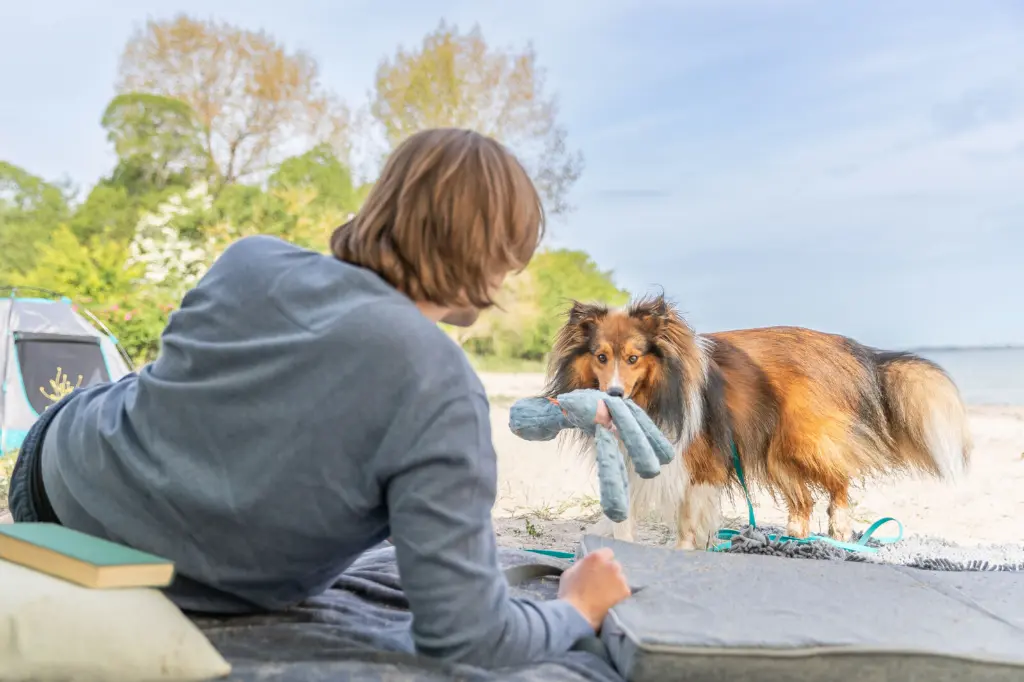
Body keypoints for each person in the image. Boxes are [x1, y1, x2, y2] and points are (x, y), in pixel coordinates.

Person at [8, 128, 632, 668]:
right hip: (159, 567)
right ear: (491, 254)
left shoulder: (248, 259)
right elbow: (469, 636)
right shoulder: (441, 386)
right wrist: (579, 607)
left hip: (52, 477)